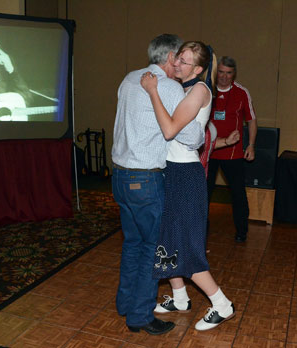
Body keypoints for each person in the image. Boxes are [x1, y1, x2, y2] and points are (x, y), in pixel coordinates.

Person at [111, 34, 205, 336]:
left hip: (120, 176)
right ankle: (139, 316)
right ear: (170, 57)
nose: (179, 63)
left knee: (133, 244)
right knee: (152, 250)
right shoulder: (168, 86)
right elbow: (191, 137)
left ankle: (125, 303)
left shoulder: (128, 78)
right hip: (146, 179)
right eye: (178, 57)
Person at [141, 41, 235, 331]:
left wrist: (153, 91)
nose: (177, 63)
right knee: (167, 240)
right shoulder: (180, 88)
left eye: (184, 61)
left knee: (188, 248)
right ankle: (180, 298)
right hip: (172, 172)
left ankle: (222, 304)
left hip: (185, 176)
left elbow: (169, 129)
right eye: (178, 58)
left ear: (198, 68)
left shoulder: (199, 90)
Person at [207, 56, 257, 243]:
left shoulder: (241, 92)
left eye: (228, 73)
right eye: (221, 72)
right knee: (204, 193)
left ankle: (241, 232)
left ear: (233, 74)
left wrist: (251, 145)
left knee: (238, 194)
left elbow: (251, 120)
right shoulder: (206, 90)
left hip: (233, 153)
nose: (224, 77)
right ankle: (201, 229)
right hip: (209, 152)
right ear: (216, 72)